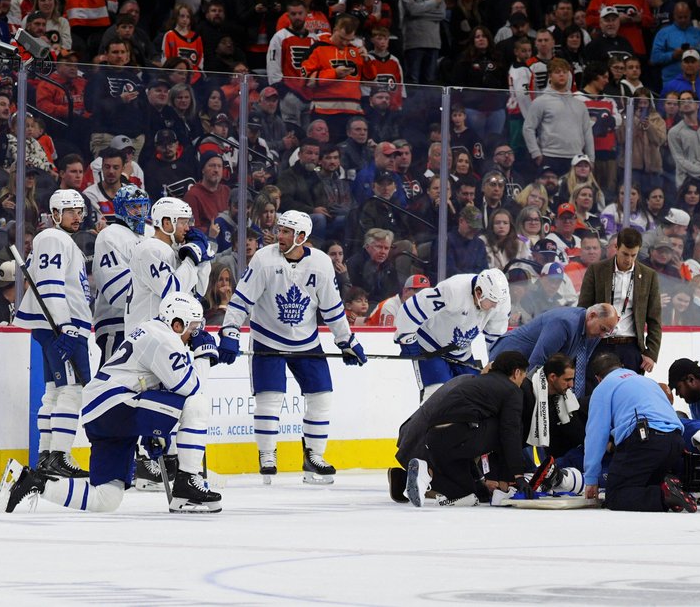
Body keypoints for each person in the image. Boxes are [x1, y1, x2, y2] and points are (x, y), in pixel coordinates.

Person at [0, 293, 220, 514]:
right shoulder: (165, 339)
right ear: (177, 324)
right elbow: (192, 388)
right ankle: (187, 482)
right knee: (197, 403)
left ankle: (32, 481)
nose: (194, 336)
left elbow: (157, 384)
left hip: (103, 410)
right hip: (116, 404)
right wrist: (204, 354)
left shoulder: (153, 331)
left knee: (106, 498)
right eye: (193, 328)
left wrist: (154, 430)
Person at [218, 210, 366, 483]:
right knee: (269, 399)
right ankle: (267, 454)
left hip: (307, 341)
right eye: (280, 230)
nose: (280, 235)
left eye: (287, 231)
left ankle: (313, 456)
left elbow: (332, 308)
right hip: (267, 338)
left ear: (301, 236)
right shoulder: (263, 259)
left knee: (321, 396)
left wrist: (346, 340)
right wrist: (230, 331)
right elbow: (242, 299)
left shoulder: (321, 263)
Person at [125, 195, 218, 507]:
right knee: (175, 399)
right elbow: (171, 292)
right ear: (165, 222)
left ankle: (176, 468)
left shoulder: (173, 250)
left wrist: (202, 257)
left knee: (182, 401)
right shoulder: (149, 249)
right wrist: (191, 259)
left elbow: (198, 291)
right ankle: (146, 462)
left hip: (168, 339)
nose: (187, 227)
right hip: (148, 341)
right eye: (182, 221)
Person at [16, 189, 92, 479]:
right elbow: (50, 284)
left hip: (57, 326)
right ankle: (60, 455)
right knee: (72, 389)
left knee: (55, 390)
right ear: (56, 213)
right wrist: (66, 326)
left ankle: (47, 455)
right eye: (70, 211)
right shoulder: (53, 238)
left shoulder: (60, 240)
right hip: (62, 327)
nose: (77, 216)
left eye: (79, 211)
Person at [396, 349, 530, 507]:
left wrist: (480, 481)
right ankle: (505, 488)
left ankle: (425, 472)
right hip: (457, 435)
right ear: (516, 372)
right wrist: (518, 475)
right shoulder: (512, 390)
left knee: (468, 493)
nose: (522, 381)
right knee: (511, 427)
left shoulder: (473, 382)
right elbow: (510, 433)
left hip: (434, 441)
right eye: (523, 376)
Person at [582, 351, 697, 512]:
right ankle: (669, 491)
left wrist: (591, 479)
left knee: (615, 496)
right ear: (622, 366)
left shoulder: (603, 388)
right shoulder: (647, 381)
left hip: (645, 439)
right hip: (675, 441)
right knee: (641, 486)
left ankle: (665, 496)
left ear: (598, 378)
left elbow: (596, 435)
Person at [393, 267, 511, 401]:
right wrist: (407, 338)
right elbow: (412, 309)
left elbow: (496, 338)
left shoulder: (500, 301)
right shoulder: (454, 290)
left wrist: (497, 366)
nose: (496, 306)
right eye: (492, 302)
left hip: (462, 353)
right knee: (437, 395)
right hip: (430, 348)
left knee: (475, 395)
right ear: (479, 293)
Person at [577, 227, 661, 375]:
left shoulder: (649, 276)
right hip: (600, 344)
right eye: (625, 254)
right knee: (597, 387)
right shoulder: (596, 270)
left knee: (630, 389)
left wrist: (651, 353)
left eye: (633, 255)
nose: (629, 260)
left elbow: (655, 318)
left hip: (631, 347)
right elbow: (583, 310)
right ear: (616, 247)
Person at [490, 303, 618, 398]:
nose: (603, 335)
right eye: (603, 329)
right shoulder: (563, 323)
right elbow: (537, 362)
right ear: (592, 316)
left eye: (607, 332)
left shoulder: (596, 332)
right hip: (510, 357)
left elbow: (579, 367)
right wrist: (529, 401)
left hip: (529, 364)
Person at [91, 185, 148, 359]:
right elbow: (118, 293)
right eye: (133, 207)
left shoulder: (147, 236)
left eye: (143, 206)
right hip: (116, 324)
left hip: (142, 324)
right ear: (121, 208)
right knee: (111, 375)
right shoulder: (110, 235)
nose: (139, 211)